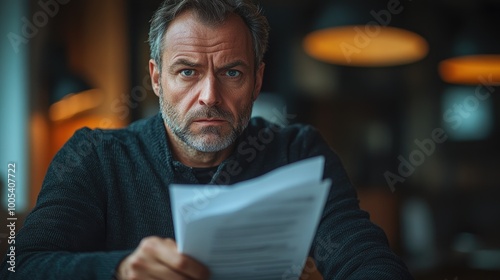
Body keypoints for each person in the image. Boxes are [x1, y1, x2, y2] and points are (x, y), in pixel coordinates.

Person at [1, 0, 413, 279]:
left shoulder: (299, 153)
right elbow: (21, 264)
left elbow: (366, 259)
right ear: (156, 78)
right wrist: (121, 269)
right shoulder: (93, 156)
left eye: (232, 72)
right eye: (187, 72)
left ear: (257, 81)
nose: (210, 96)